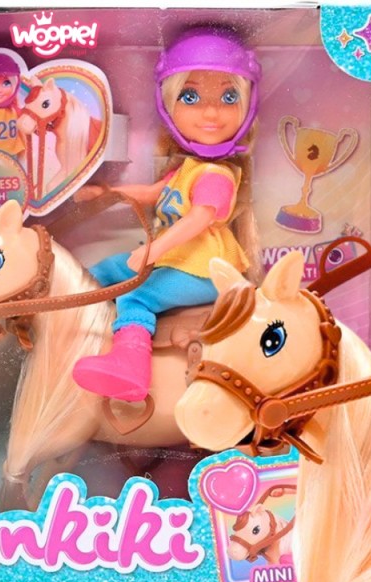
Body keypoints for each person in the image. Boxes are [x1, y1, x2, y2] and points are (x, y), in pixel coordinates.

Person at [73, 28, 261, 402]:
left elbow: (199, 218)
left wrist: (151, 251)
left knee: (137, 297)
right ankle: (77, 334)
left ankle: (130, 370)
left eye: (228, 97)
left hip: (204, 270)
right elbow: (152, 194)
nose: (211, 112)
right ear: (168, 104)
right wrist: (105, 194)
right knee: (101, 272)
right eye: (191, 97)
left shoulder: (216, 174)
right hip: (178, 260)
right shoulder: (188, 168)